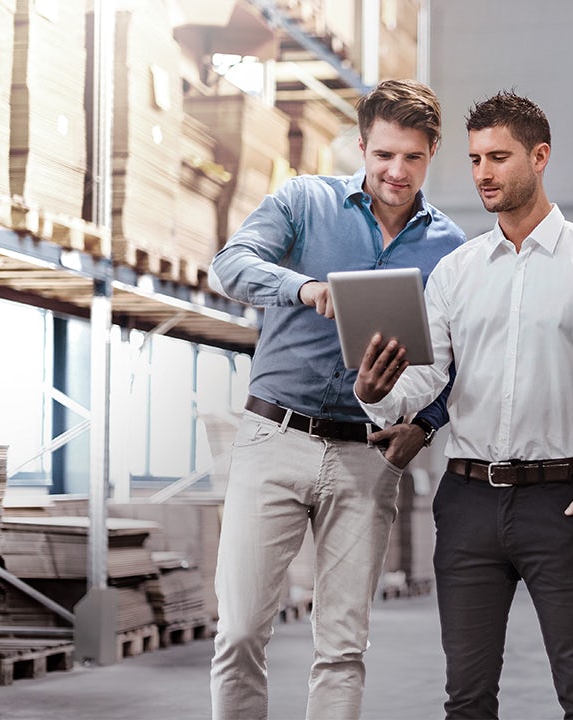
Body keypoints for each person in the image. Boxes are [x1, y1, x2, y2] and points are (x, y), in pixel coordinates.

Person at [355, 90, 573, 719]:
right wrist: (377, 393)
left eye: (498, 158)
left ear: (540, 156)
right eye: (475, 160)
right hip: (468, 503)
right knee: (466, 701)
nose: (483, 174)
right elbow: (428, 379)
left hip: (565, 502)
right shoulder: (456, 272)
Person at [206, 78, 466, 720]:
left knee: (343, 648)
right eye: (384, 155)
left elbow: (461, 359)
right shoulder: (305, 201)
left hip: (366, 455)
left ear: (432, 152)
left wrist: (427, 424)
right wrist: (303, 288)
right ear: (362, 145)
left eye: (412, 157)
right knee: (239, 631)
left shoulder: (452, 250)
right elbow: (230, 264)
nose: (396, 171)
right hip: (274, 438)